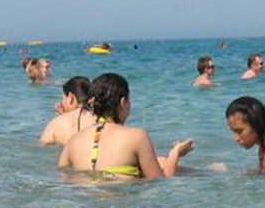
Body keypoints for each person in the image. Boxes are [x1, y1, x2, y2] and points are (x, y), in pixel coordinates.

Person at [58, 72, 192, 179]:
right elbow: (159, 181)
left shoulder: (73, 141)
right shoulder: (137, 136)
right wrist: (175, 153)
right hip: (121, 202)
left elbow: (62, 176)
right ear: (123, 102)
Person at [38, 76, 93, 146]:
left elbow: (41, 145)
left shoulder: (56, 124)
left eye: (63, 98)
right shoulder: (100, 120)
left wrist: (61, 118)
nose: (61, 103)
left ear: (70, 97)